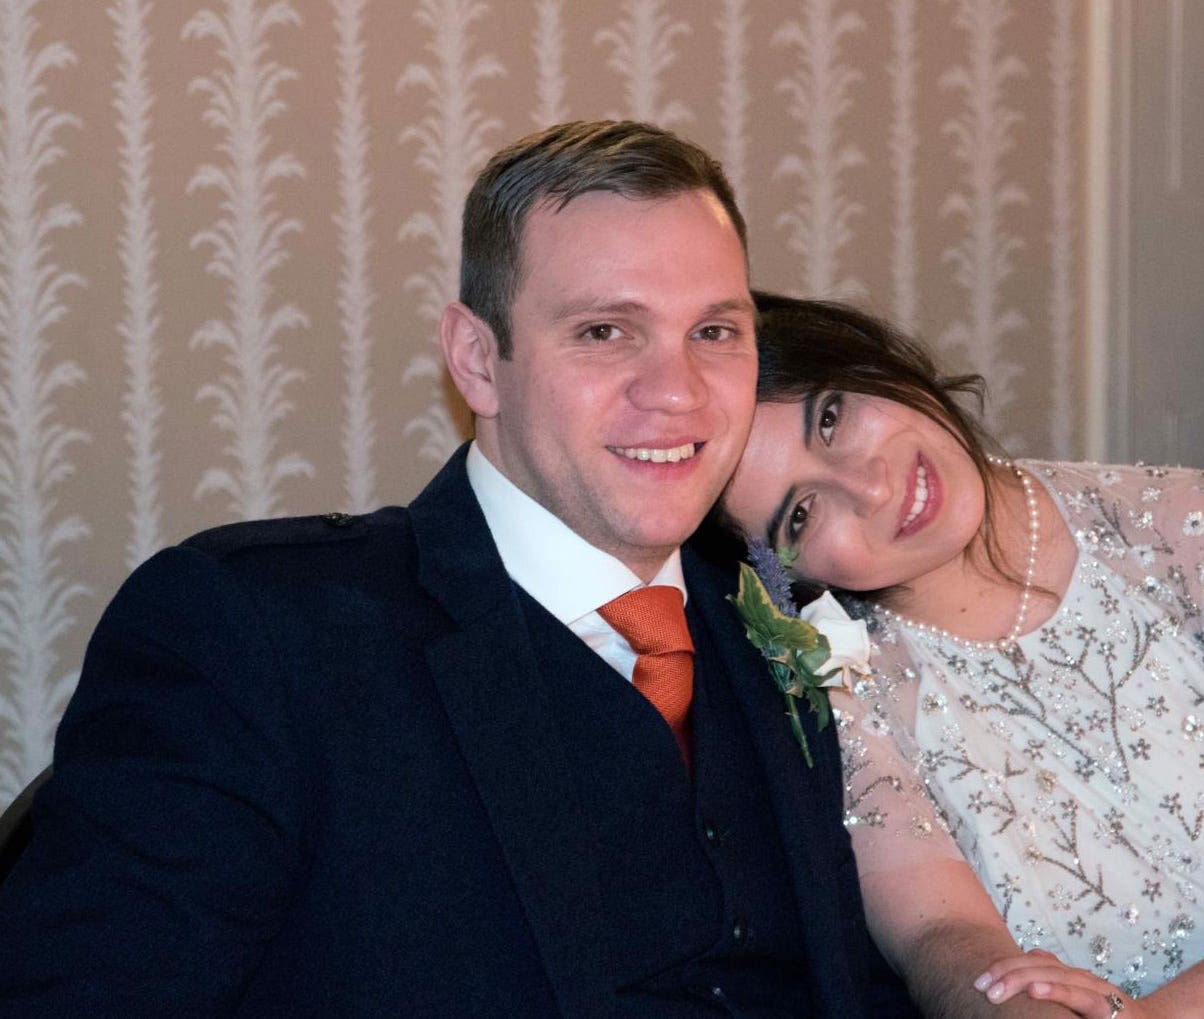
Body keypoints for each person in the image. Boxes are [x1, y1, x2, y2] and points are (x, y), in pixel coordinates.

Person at [0, 123, 919, 1017]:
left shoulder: (782, 613)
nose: (675, 390)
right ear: (478, 362)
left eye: (714, 331)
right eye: (605, 332)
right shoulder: (254, 631)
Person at [715, 292, 1204, 1019]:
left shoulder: (1201, 527)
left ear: (867, 359)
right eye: (802, 513)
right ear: (789, 577)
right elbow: (942, 937)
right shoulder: (842, 691)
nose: (868, 486)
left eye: (830, 416)